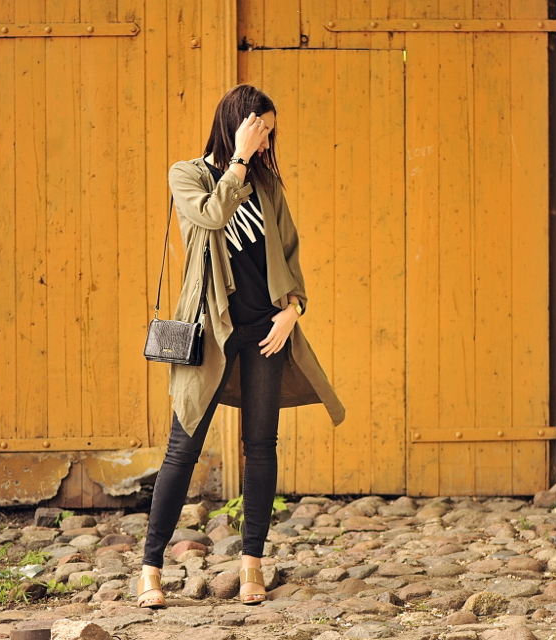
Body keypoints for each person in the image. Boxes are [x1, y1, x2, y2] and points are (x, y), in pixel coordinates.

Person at [136, 84, 345, 608]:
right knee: (182, 448)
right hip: (209, 329)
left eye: (270, 132)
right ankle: (150, 571)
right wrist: (238, 161)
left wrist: (292, 310)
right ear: (237, 124)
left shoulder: (267, 184)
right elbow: (209, 217)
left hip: (264, 331)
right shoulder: (187, 174)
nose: (267, 140)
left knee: (261, 446)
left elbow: (289, 250)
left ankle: (252, 564)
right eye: (260, 129)